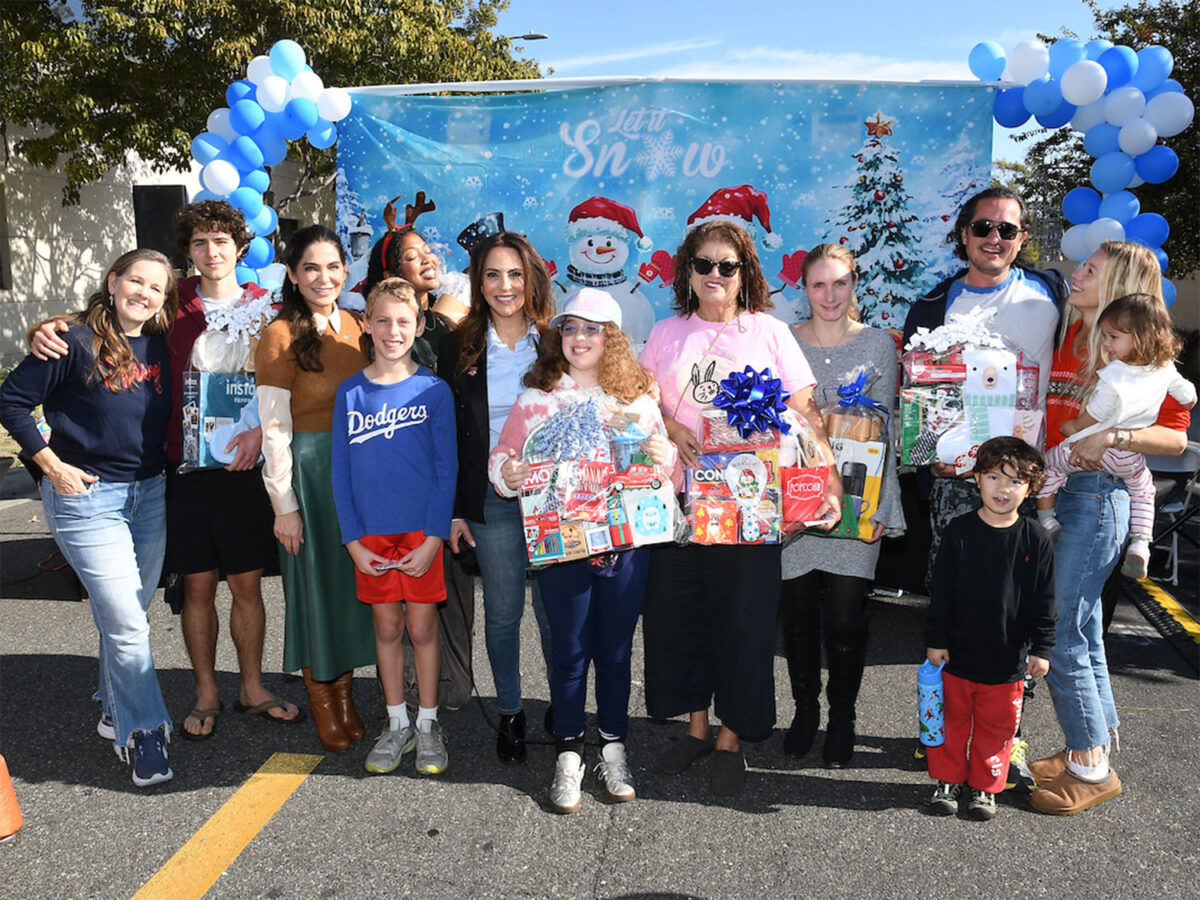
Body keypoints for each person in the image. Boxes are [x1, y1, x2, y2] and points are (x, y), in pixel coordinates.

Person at [24, 200, 303, 740]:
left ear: (240, 248)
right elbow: (106, 321)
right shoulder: (170, 303)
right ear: (188, 251)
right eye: (200, 242)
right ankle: (206, 692)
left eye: (221, 241)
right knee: (197, 587)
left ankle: (252, 687)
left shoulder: (268, 306)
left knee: (248, 585)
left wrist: (259, 434)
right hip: (180, 466)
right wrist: (48, 328)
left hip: (245, 465)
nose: (211, 251)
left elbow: (285, 374)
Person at [640, 220, 841, 797]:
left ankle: (731, 737)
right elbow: (641, 405)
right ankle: (696, 727)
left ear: (744, 272)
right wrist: (673, 427)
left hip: (750, 507)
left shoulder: (770, 333)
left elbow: (806, 413)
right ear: (688, 271)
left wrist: (826, 478)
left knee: (744, 620)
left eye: (727, 266)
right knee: (682, 616)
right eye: (703, 264)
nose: (715, 275)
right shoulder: (665, 333)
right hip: (678, 504)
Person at [489, 288, 676, 813]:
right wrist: (506, 473)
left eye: (592, 329)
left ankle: (613, 746)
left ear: (612, 339)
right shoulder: (537, 400)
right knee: (569, 653)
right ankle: (569, 750)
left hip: (625, 548)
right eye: (570, 328)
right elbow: (504, 456)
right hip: (561, 547)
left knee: (615, 652)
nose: (579, 338)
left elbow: (663, 473)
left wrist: (662, 455)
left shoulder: (637, 401)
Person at [0, 250, 178, 786]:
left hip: (149, 494)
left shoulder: (163, 343)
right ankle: (145, 732)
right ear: (113, 281)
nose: (144, 293)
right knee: (126, 621)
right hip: (87, 499)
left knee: (128, 613)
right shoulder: (73, 340)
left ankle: (113, 705)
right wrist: (51, 466)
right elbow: (11, 401)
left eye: (156, 288)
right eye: (136, 281)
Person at [1026, 241, 1189, 815]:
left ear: (1117, 281)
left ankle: (1092, 769)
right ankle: (1088, 746)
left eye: (1091, 270)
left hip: (1098, 496)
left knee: (1061, 630)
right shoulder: (1075, 333)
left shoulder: (1138, 353)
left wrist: (1113, 437)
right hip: (1066, 488)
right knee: (1085, 629)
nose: (1076, 274)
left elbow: (1176, 438)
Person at [779, 244, 905, 766]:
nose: (830, 296)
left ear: (855, 284)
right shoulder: (783, 341)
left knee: (846, 620)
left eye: (840, 283)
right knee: (798, 618)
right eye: (819, 285)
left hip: (858, 501)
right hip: (797, 499)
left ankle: (842, 717)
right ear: (804, 289)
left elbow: (887, 430)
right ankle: (805, 711)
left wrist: (883, 509)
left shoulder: (878, 344)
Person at [902, 187, 1067, 581]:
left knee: (1017, 594)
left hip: (1029, 477)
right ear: (964, 234)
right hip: (960, 479)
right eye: (983, 227)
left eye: (1006, 230)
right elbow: (919, 397)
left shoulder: (1051, 295)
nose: (994, 238)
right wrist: (931, 457)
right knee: (953, 589)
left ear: (1022, 238)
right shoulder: (932, 308)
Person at [255, 224, 377, 753]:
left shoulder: (358, 326)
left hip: (357, 472)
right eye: (310, 268)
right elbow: (273, 428)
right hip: (307, 474)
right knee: (313, 589)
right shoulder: (279, 334)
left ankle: (346, 696)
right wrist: (284, 505)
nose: (322, 277)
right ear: (292, 274)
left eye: (332, 267)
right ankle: (322, 700)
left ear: (346, 270)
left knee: (349, 590)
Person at [437, 231, 555, 763]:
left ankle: (562, 703)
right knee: (504, 612)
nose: (504, 286)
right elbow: (445, 435)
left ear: (531, 279)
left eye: (514, 274)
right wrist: (455, 511)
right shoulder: (458, 345)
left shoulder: (555, 342)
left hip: (554, 499)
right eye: (492, 274)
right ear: (478, 282)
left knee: (554, 612)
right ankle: (510, 711)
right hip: (489, 500)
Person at [331, 278, 457, 775]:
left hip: (420, 534)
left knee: (422, 628)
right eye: (381, 320)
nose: (392, 330)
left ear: (420, 326)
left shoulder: (434, 390)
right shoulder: (350, 393)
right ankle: (396, 721)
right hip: (371, 537)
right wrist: (352, 541)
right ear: (365, 323)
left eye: (403, 321)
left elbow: (446, 470)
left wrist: (434, 538)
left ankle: (427, 723)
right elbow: (340, 472)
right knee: (386, 628)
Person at [358, 216, 477, 711]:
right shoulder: (385, 340)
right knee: (402, 600)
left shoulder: (455, 321)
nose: (426, 258)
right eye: (411, 255)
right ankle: (407, 691)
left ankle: (452, 683)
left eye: (428, 249)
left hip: (450, 479)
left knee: (452, 589)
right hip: (402, 489)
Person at [924, 437, 1057, 821]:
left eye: (1015, 481)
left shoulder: (1036, 538)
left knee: (997, 728)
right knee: (951, 722)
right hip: (957, 654)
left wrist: (1042, 648)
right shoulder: (959, 531)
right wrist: (936, 639)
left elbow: (1046, 598)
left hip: (1008, 658)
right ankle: (947, 780)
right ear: (977, 478)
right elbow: (941, 591)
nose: (1003, 488)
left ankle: (985, 785)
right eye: (994, 476)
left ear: (1030, 489)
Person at [1036, 293, 1195, 579]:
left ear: (1141, 338)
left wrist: (1074, 425)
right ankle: (1141, 543)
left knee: (1050, 468)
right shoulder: (1165, 368)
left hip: (1087, 449)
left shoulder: (1113, 374)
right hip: (1128, 458)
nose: (1107, 344)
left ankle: (1047, 520)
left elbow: (1097, 411)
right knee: (1143, 490)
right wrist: (1188, 400)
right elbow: (1188, 396)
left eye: (1113, 337)